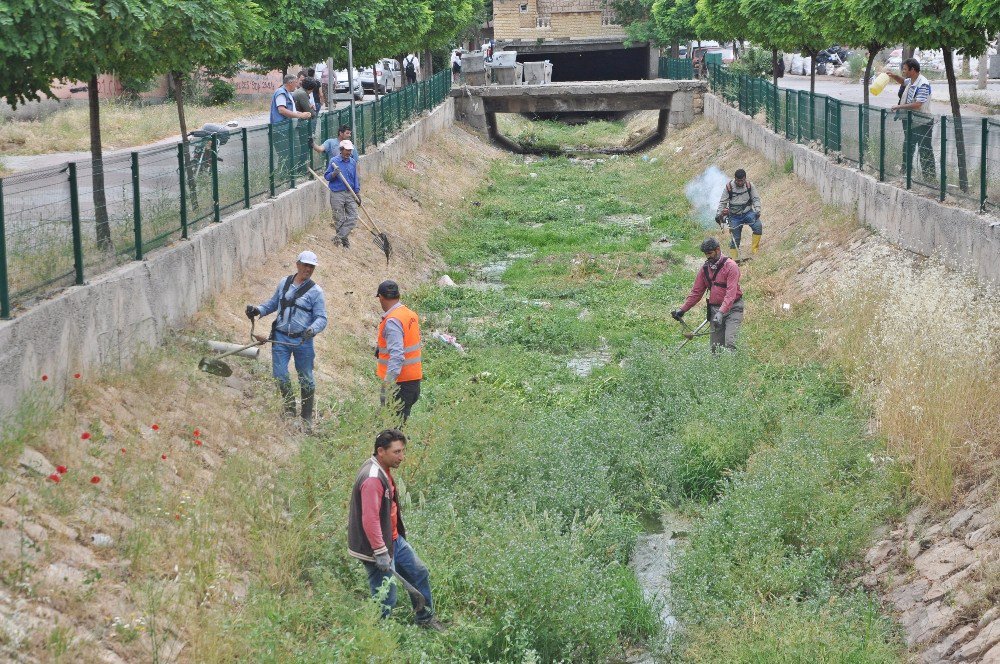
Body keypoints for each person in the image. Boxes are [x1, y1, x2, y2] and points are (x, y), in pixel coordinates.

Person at [347, 429, 443, 630]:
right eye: (397, 452)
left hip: (393, 540)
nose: (402, 457)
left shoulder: (382, 468)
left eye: (402, 451)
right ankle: (379, 636)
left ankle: (425, 619)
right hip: (377, 547)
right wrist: (381, 552)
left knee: (418, 573)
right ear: (381, 451)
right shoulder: (373, 479)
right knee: (386, 596)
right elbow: (370, 519)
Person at [245, 250, 328, 426]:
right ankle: (290, 411)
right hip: (280, 338)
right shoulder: (284, 283)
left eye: (311, 266)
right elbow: (273, 303)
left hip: (302, 341)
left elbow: (322, 318)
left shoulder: (316, 292)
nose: (308, 269)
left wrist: (312, 329)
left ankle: (306, 418)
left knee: (306, 377)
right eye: (305, 265)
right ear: (297, 264)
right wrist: (258, 310)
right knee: (280, 375)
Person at [671, 237, 744, 352]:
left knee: (731, 343)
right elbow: (696, 293)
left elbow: (731, 294)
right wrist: (682, 310)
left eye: (710, 253)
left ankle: (734, 367)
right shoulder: (705, 269)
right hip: (715, 310)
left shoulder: (731, 266)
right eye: (706, 254)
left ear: (718, 249)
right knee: (715, 348)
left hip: (733, 309)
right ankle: (717, 369)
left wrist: (721, 312)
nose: (708, 256)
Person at [375, 280, 423, 423]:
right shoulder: (409, 314)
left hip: (399, 383)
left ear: (381, 298)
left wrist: (388, 385)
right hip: (413, 380)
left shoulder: (392, 320)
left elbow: (397, 355)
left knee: (393, 429)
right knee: (400, 425)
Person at [884, 58, 935, 180]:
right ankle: (906, 172)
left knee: (924, 150)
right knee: (908, 146)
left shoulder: (922, 83)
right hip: (911, 120)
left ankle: (930, 178)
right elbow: (903, 82)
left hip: (922, 122)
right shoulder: (912, 80)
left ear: (913, 70)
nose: (903, 71)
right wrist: (894, 76)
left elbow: (918, 104)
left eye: (905, 69)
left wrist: (899, 106)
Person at [716, 168, 762, 260]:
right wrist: (718, 214)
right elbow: (722, 203)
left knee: (758, 226)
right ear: (735, 178)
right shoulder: (729, 187)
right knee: (735, 238)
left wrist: (757, 209)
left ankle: (754, 250)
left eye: (742, 180)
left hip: (748, 213)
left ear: (745, 178)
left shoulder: (750, 186)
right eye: (738, 180)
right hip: (734, 216)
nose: (740, 182)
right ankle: (734, 259)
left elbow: (756, 199)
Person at [324, 140, 360, 247]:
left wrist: (357, 193)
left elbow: (355, 179)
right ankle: (344, 242)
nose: (349, 152)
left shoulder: (352, 162)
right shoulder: (334, 161)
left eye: (350, 150)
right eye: (347, 150)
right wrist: (334, 174)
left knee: (353, 217)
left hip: (350, 193)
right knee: (338, 219)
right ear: (341, 150)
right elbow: (326, 176)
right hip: (337, 193)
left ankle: (339, 237)